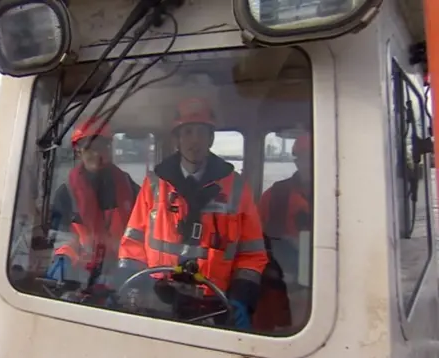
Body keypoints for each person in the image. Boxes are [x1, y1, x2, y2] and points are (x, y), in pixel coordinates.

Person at [114, 98, 268, 329]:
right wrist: (131, 285)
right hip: (159, 299)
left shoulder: (237, 187)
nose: (194, 140)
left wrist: (241, 297)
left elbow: (252, 253)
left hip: (216, 302)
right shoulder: (154, 184)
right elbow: (133, 242)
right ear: (177, 139)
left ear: (211, 139)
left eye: (201, 133)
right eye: (187, 132)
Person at [46, 116, 141, 290]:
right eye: (89, 147)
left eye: (102, 146)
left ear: (110, 149)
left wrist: (133, 264)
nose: (97, 154)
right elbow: (61, 237)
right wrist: (63, 259)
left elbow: (141, 230)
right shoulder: (65, 193)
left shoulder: (130, 187)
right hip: (80, 278)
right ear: (78, 151)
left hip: (123, 275)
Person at [252, 132, 312, 332]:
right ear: (297, 161)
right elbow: (254, 240)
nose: (310, 164)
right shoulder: (275, 195)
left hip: (324, 290)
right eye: (305, 158)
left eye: (314, 157)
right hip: (279, 288)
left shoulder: (344, 197)